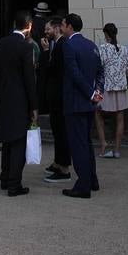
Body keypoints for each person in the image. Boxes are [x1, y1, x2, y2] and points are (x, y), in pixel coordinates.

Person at [0, 10, 37, 197]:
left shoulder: (1, 43)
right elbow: (29, 79)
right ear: (28, 26)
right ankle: (14, 183)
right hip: (20, 99)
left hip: (4, 96)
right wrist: (34, 105)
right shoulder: (25, 47)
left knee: (7, 141)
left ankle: (5, 177)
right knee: (18, 141)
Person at [61, 13, 103, 199]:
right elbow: (100, 71)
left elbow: (74, 73)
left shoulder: (69, 45)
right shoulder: (91, 45)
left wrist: (91, 93)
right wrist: (97, 92)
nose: (61, 27)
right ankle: (92, 179)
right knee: (86, 142)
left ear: (70, 26)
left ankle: (83, 185)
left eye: (63, 24)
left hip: (75, 101)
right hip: (88, 103)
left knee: (78, 145)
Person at [95, 23, 128, 159]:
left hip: (105, 87)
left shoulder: (103, 48)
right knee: (120, 117)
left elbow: (99, 65)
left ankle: (103, 144)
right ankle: (117, 150)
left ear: (106, 34)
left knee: (97, 112)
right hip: (121, 87)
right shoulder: (124, 49)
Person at [41, 16, 71, 183]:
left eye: (48, 29)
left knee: (61, 131)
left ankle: (64, 167)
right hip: (55, 96)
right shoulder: (57, 44)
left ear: (57, 28)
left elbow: (52, 69)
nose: (46, 32)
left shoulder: (61, 45)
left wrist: (45, 52)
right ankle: (58, 162)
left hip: (59, 96)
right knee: (57, 130)